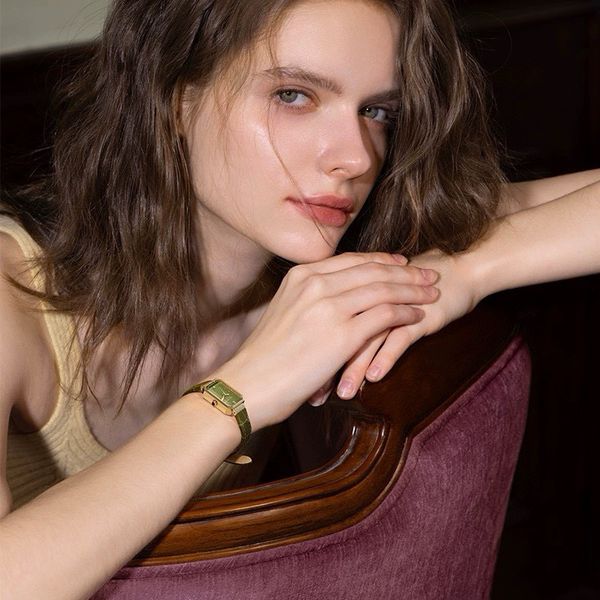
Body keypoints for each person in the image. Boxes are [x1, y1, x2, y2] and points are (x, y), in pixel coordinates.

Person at [0, 1, 596, 598]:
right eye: (293, 96)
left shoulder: (338, 254)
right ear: (175, 99)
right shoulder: (11, 295)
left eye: (377, 111)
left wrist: (469, 269)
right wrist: (240, 394)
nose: (355, 157)